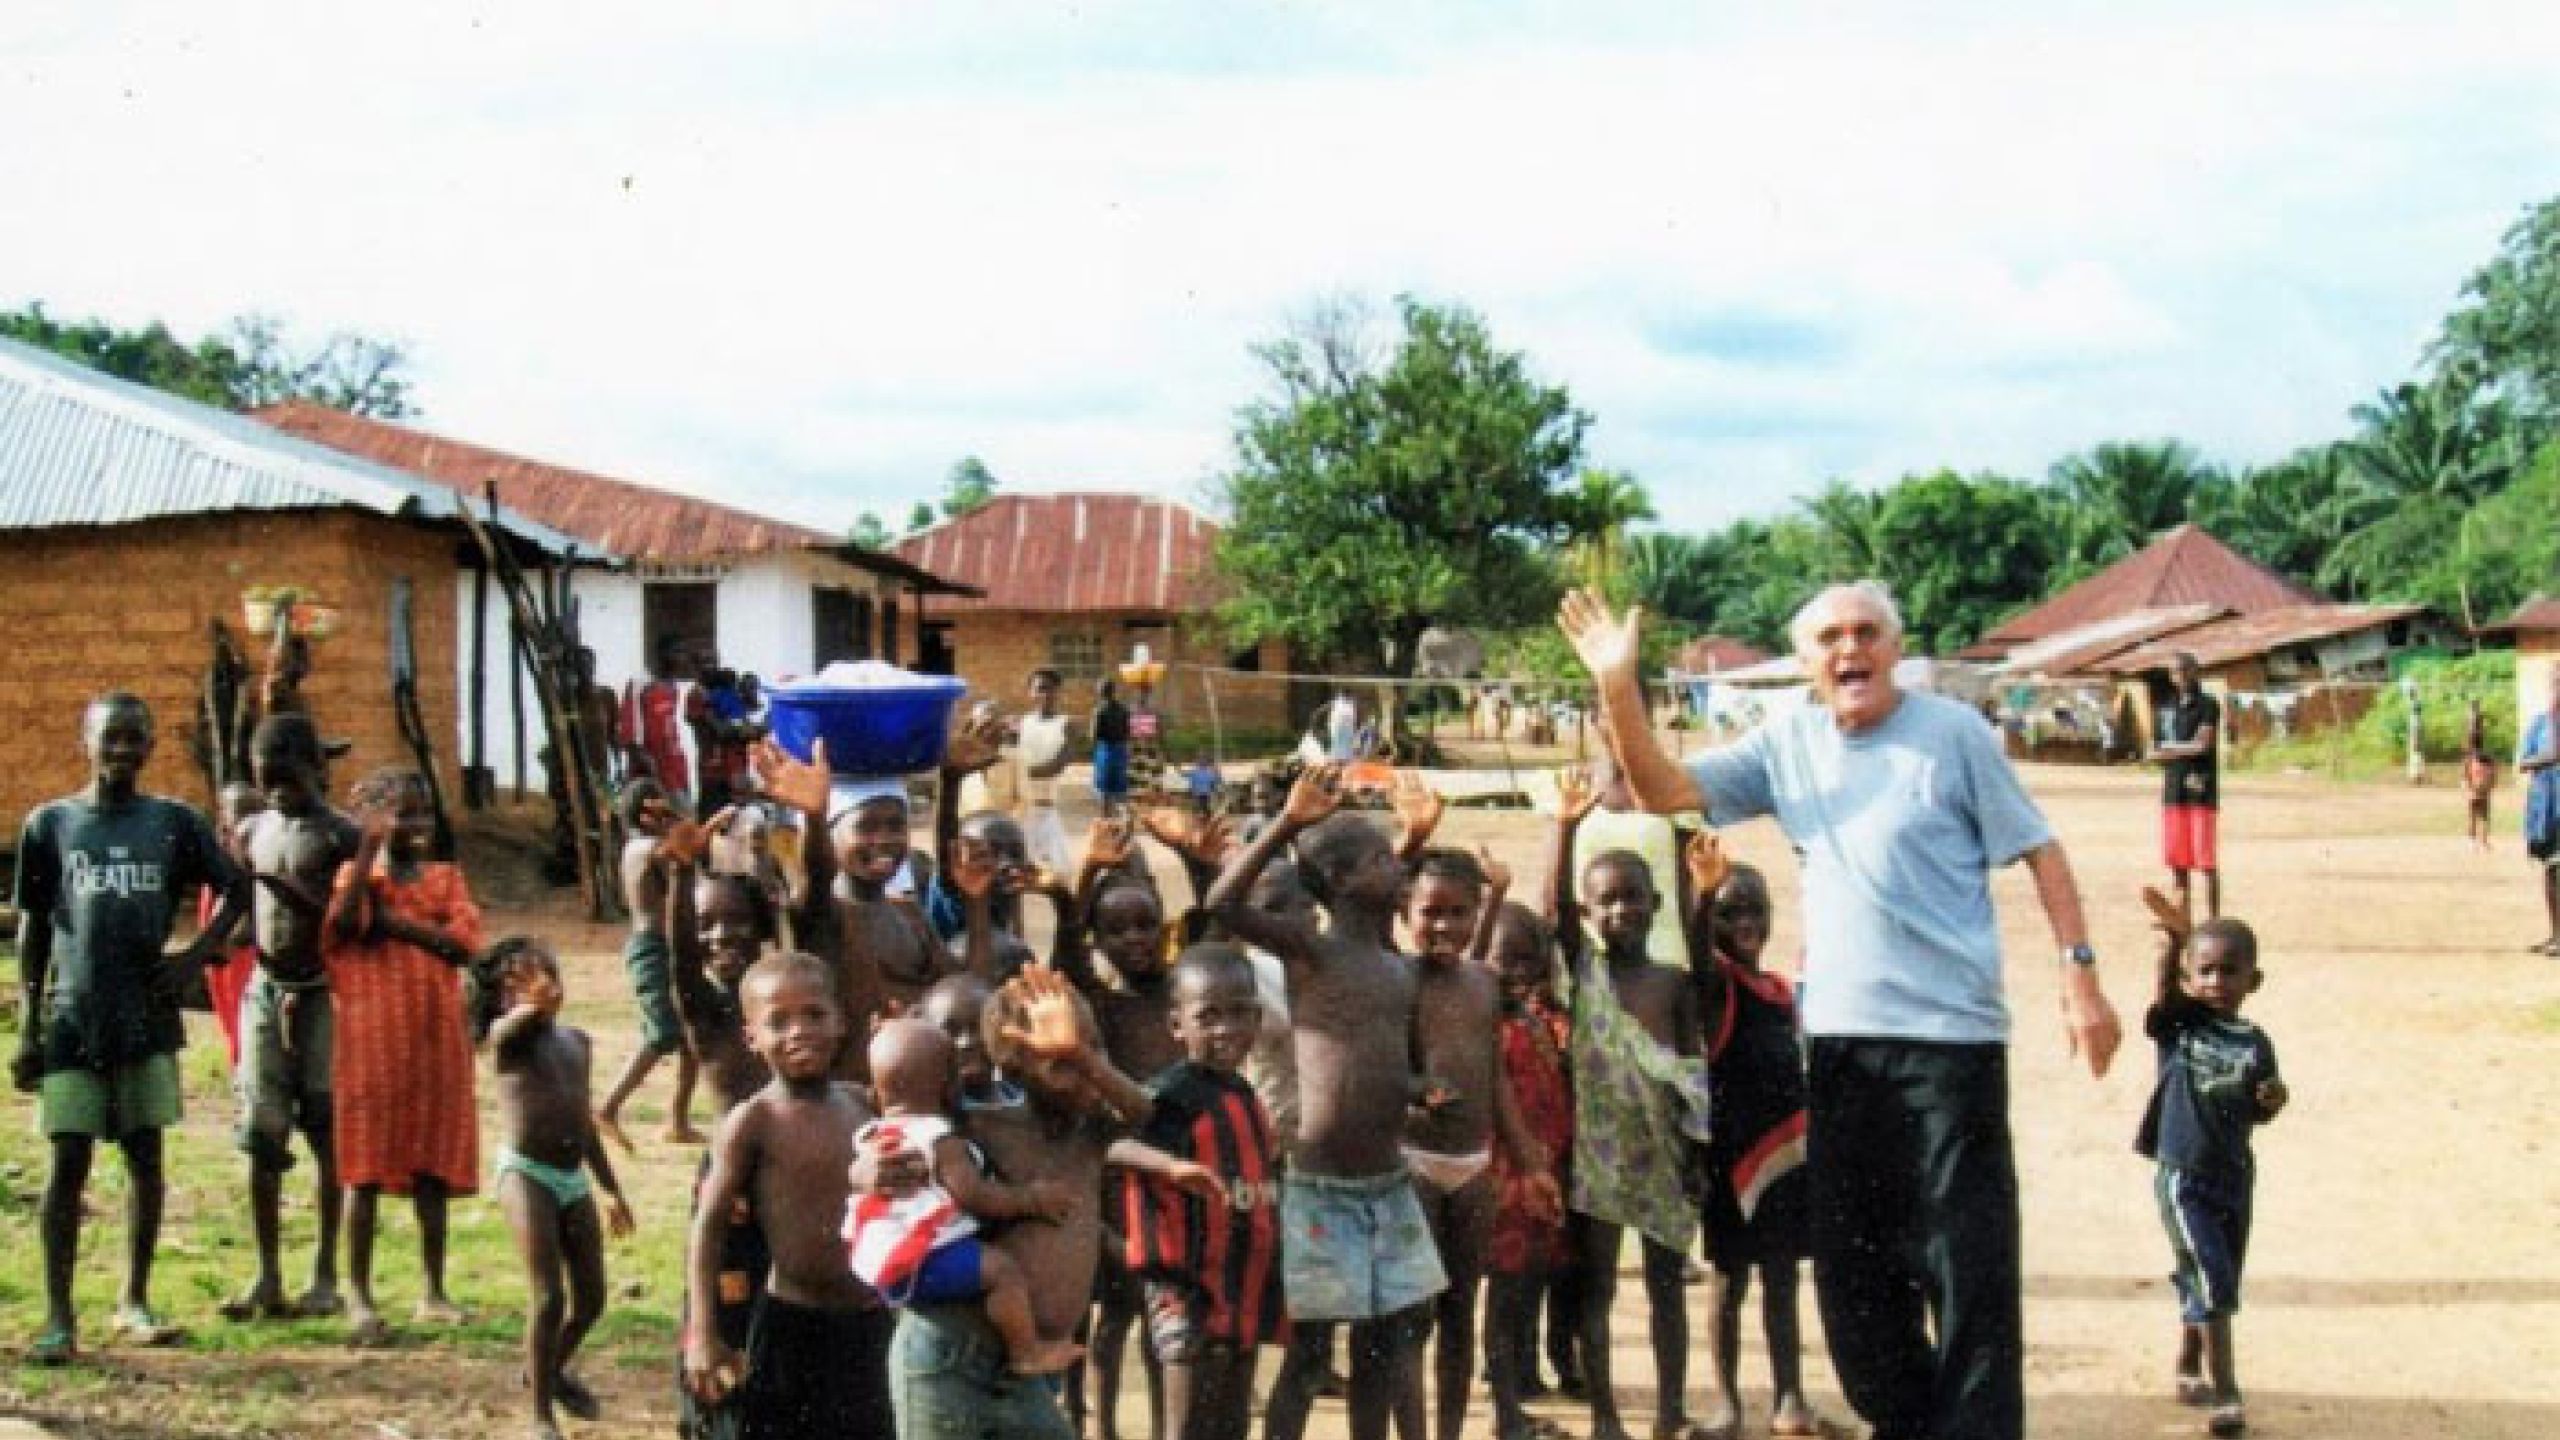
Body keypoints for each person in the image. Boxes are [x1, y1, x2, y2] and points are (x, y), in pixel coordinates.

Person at [1559, 581, 2121, 1440]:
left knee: (1964, 1267)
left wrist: (2078, 975)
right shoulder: (1788, 743)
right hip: (1841, 1049)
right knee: (1854, 1276)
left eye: (1866, 633)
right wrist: (1616, 686)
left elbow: (2040, 851)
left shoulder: (1954, 736)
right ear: (1808, 662)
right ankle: (1909, 1422)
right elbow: (1662, 788)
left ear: (1894, 648)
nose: (1849, 650)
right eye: (1830, 638)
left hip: (1950, 1046)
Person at [1208, 762, 1445, 1440]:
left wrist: (1415, 1091)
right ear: (1340, 881)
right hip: (1321, 1188)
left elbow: (1375, 1066)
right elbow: (1223, 904)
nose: (1398, 866)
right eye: (1381, 859)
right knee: (1309, 1355)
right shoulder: (1311, 953)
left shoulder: (1395, 967)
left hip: (1387, 1184)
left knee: (1384, 1346)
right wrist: (1287, 823)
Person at [13, 693, 245, 1363]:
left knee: (145, 1158)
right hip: (73, 1019)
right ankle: (59, 1316)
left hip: (146, 1018)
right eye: (109, 738)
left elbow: (236, 888)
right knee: (67, 1163)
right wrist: (29, 1024)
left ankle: (134, 1299)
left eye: (134, 739)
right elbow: (32, 930)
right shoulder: (50, 824)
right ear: (84, 742)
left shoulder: (172, 823)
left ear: (149, 747)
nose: (121, 751)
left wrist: (195, 959)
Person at [860, 966, 1162, 1440]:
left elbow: (1145, 1112)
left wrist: (1076, 1053)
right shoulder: (986, 1127)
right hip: (951, 1354)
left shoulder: (1092, 1136)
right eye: (1059, 1062)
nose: (1082, 1072)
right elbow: (894, 1128)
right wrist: (864, 1169)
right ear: (1012, 1063)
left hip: (1027, 1371)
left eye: (1093, 1051)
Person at [1547, 769, 1712, 1440]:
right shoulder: (1585, 973)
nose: (1621, 912)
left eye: (1633, 899)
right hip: (1598, 1158)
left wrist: (1698, 1157)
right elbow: (1554, 912)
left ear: (1654, 904)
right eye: (1606, 902)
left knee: (1667, 1289)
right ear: (1589, 914)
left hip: (1665, 1159)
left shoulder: (1672, 983)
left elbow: (1696, 1077)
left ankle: (1671, 1410)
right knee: (1598, 1291)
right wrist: (1563, 828)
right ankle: (1607, 1415)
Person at [683, 952, 900, 1439]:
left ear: (841, 1020)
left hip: (871, 1320)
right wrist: (702, 1333)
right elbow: (708, 1226)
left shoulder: (865, 1104)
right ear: (751, 1037)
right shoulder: (754, 1121)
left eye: (814, 1014)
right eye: (778, 1021)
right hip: (790, 1326)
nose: (799, 1030)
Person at [1396, 847, 1560, 1440]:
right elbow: (1377, 1066)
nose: (1443, 926)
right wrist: (1415, 1089)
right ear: (1402, 910)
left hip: (1473, 1167)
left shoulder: (1483, 984)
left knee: (1460, 1310)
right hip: (1412, 1163)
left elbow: (1494, 1080)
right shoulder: (1397, 980)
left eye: (1458, 914)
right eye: (1429, 913)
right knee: (1413, 1317)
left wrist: (1530, 1162)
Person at [325, 768, 483, 1347]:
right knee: (363, 1166)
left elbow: (462, 945)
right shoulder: (355, 875)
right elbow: (342, 924)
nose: (412, 825)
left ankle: (433, 1290)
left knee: (432, 1165)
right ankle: (358, 1291)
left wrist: (388, 922)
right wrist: (367, 854)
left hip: (434, 1036)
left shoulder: (446, 877)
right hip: (372, 1037)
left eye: (419, 814)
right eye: (397, 815)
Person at [843, 1019, 1085, 1376]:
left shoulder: (873, 1135)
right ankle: (1025, 1351)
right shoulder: (938, 1137)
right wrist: (1031, 1200)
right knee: (1002, 1271)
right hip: (922, 1260)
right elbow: (974, 1195)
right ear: (945, 1084)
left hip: (880, 1263)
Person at [1119, 944, 1288, 1440]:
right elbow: (1113, 1148)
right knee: (1187, 1420)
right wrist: (1171, 1166)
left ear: (1258, 1018)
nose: (1226, 1030)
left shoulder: (1243, 1092)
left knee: (1231, 1415)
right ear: (1177, 1025)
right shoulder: (1172, 1094)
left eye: (1240, 1014)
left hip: (1239, 1278)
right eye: (1208, 1017)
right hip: (1185, 1284)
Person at [227, 712, 362, 1323]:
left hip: (323, 994)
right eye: (268, 780)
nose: (280, 791)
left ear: (319, 771)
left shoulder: (342, 835)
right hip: (265, 989)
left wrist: (290, 895)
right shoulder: (254, 828)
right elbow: (236, 906)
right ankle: (267, 1274)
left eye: (291, 779)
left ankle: (326, 1274)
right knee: (262, 1133)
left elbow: (355, 920)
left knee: (325, 1130)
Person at [2134, 905, 2286, 1439]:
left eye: (2229, 971)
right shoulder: (2179, 1025)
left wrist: (2273, 1098)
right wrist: (2171, 945)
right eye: (2204, 971)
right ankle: (2227, 1394)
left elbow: (2262, 1106)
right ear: (2187, 978)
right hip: (2183, 1177)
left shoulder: (2254, 1042)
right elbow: (2162, 1001)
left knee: (2216, 1275)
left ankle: (2187, 1359)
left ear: (2254, 979)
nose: (2215, 982)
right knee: (2212, 1278)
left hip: (2234, 1177)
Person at [481, 937, 635, 1440]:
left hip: (571, 1178)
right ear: (503, 998)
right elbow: (504, 1030)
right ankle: (539, 1415)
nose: (538, 991)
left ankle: (546, 1371)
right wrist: (529, 1011)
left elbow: (584, 1125)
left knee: (590, 1300)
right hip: (526, 1174)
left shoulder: (577, 1042)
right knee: (548, 1297)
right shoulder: (506, 1044)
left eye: (545, 978)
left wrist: (610, 1188)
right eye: (519, 987)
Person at [1693, 857, 1824, 1440]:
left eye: (1756, 911)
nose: (1745, 923)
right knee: (1729, 1280)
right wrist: (1698, 899)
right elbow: (1698, 961)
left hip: (1785, 1159)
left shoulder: (1774, 989)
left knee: (1782, 1278)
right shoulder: (1720, 986)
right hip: (1731, 1162)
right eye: (1729, 913)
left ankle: (1789, 1395)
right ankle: (1727, 1404)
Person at [1480, 901, 1576, 1440]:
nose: (1518, 973)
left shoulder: (1538, 1019)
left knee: (1521, 1292)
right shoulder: (1487, 1026)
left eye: (1529, 961)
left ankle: (1515, 1393)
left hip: (1540, 1179)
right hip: (1504, 1183)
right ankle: (1506, 1413)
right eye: (1505, 961)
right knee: (1504, 1295)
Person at [595, 778, 704, 1151]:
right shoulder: (644, 848)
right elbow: (677, 851)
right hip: (651, 948)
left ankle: (678, 1119)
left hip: (667, 947)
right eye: (660, 807)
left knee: (692, 1033)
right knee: (661, 1035)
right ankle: (608, 1107)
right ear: (646, 814)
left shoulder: (643, 845)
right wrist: (680, 822)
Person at [2149, 654, 2223, 923]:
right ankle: (2182, 919)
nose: (2179, 677)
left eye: (2183, 671)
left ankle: (2214, 921)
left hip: (2200, 790)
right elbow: (2155, 752)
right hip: (2173, 791)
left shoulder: (2208, 705)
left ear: (2195, 671)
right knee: (2177, 861)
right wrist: (2172, 751)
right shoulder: (2165, 709)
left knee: (2206, 861)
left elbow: (2203, 745)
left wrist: (2170, 750)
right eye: (2174, 672)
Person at [1015, 668, 1078, 876]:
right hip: (1022, 808)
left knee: (1058, 873)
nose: (1044, 694)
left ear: (1058, 692)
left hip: (1045, 806)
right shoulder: (1023, 723)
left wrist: (1017, 772)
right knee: (1018, 871)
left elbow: (1057, 765)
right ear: (1030, 693)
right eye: (1039, 689)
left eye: (1049, 689)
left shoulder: (1066, 725)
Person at [625, 635, 697, 809]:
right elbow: (630, 730)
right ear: (662, 654)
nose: (682, 658)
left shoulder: (674, 687)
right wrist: (645, 761)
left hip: (676, 767)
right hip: (652, 768)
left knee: (684, 818)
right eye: (677, 652)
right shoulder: (640, 684)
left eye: (684, 653)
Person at [2522, 667, 2560, 955]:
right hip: (2546, 808)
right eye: (2555, 683)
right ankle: (2555, 934)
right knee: (2551, 872)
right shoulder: (2540, 724)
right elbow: (2523, 761)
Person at [1093, 679, 1134, 816]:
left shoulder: (1099, 711)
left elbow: (1094, 735)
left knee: (1105, 790)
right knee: (1120, 789)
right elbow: (1129, 731)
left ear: (1101, 692)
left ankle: (1106, 822)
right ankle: (1126, 820)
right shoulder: (1124, 710)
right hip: (1121, 750)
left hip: (1105, 751)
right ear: (1113, 691)